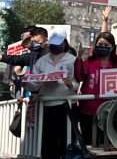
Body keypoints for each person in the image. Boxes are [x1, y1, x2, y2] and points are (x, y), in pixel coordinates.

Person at [23, 27, 78, 159]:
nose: (54, 46)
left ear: (64, 43)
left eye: (57, 44)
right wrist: (27, 82)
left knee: (67, 141)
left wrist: (70, 84)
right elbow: (35, 83)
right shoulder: (42, 61)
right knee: (48, 143)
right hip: (46, 106)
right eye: (52, 44)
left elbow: (77, 84)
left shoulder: (73, 60)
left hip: (67, 105)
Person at [74, 32, 117, 144]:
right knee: (89, 142)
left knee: (108, 143)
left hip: (110, 109)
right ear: (95, 45)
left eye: (106, 45)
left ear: (112, 48)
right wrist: (79, 57)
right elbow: (80, 76)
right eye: (100, 44)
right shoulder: (89, 62)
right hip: (89, 109)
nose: (103, 47)